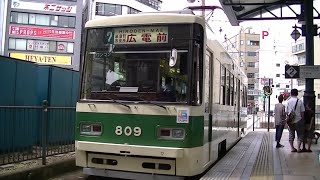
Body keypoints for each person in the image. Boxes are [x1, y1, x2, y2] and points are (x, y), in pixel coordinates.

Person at [285, 89, 305, 153]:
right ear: (297, 94)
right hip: (299, 120)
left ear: (291, 94)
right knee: (300, 134)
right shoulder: (300, 101)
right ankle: (299, 148)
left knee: (291, 134)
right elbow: (302, 112)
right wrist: (301, 119)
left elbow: (286, 112)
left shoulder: (288, 102)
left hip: (290, 121)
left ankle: (292, 148)